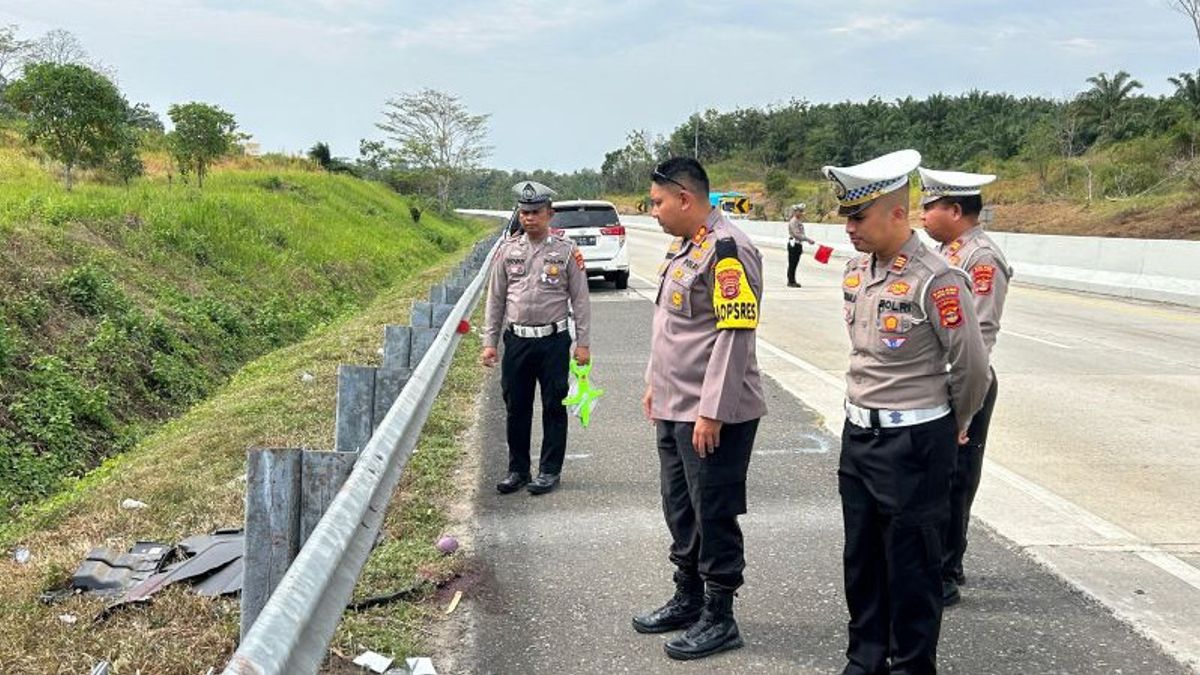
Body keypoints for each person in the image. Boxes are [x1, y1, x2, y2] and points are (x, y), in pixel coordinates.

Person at [824, 149, 989, 675]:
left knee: (913, 567)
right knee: (862, 560)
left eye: (858, 216)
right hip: (859, 435)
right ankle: (865, 660)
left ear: (897, 214)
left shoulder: (937, 279)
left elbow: (971, 369)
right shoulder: (856, 271)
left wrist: (957, 424)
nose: (848, 227)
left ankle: (912, 665)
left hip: (915, 444)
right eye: (846, 216)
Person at [632, 157, 767, 661]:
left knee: (714, 513)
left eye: (659, 202)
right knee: (680, 506)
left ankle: (719, 615)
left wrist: (711, 411)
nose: (654, 212)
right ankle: (687, 597)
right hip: (673, 404)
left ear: (686, 199)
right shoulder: (687, 247)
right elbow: (670, 325)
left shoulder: (730, 250)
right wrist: (653, 383)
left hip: (712, 414)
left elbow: (734, 336)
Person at [918, 166, 1014, 607]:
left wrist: (965, 407)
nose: (921, 214)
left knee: (956, 480)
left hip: (965, 385)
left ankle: (946, 572)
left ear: (955, 210)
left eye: (929, 206)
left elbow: (980, 337)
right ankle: (935, 561)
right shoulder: (946, 252)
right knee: (937, 478)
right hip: (940, 382)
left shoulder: (980, 259)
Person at [481, 181, 592, 496]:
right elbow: (496, 300)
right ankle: (517, 470)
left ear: (549, 214)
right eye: (525, 212)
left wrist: (582, 343)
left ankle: (548, 471)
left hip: (553, 342)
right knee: (516, 406)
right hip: (516, 340)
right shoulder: (507, 251)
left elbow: (580, 300)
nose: (529, 217)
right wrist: (490, 343)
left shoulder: (567, 252)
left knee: (553, 406)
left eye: (536, 212)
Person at [786, 202, 816, 287]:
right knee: (792, 264)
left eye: (802, 211)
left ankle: (792, 280)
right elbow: (796, 234)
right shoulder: (793, 221)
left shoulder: (798, 221)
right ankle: (791, 281)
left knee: (795, 264)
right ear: (795, 212)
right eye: (800, 211)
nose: (801, 213)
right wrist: (808, 239)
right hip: (794, 244)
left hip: (797, 244)